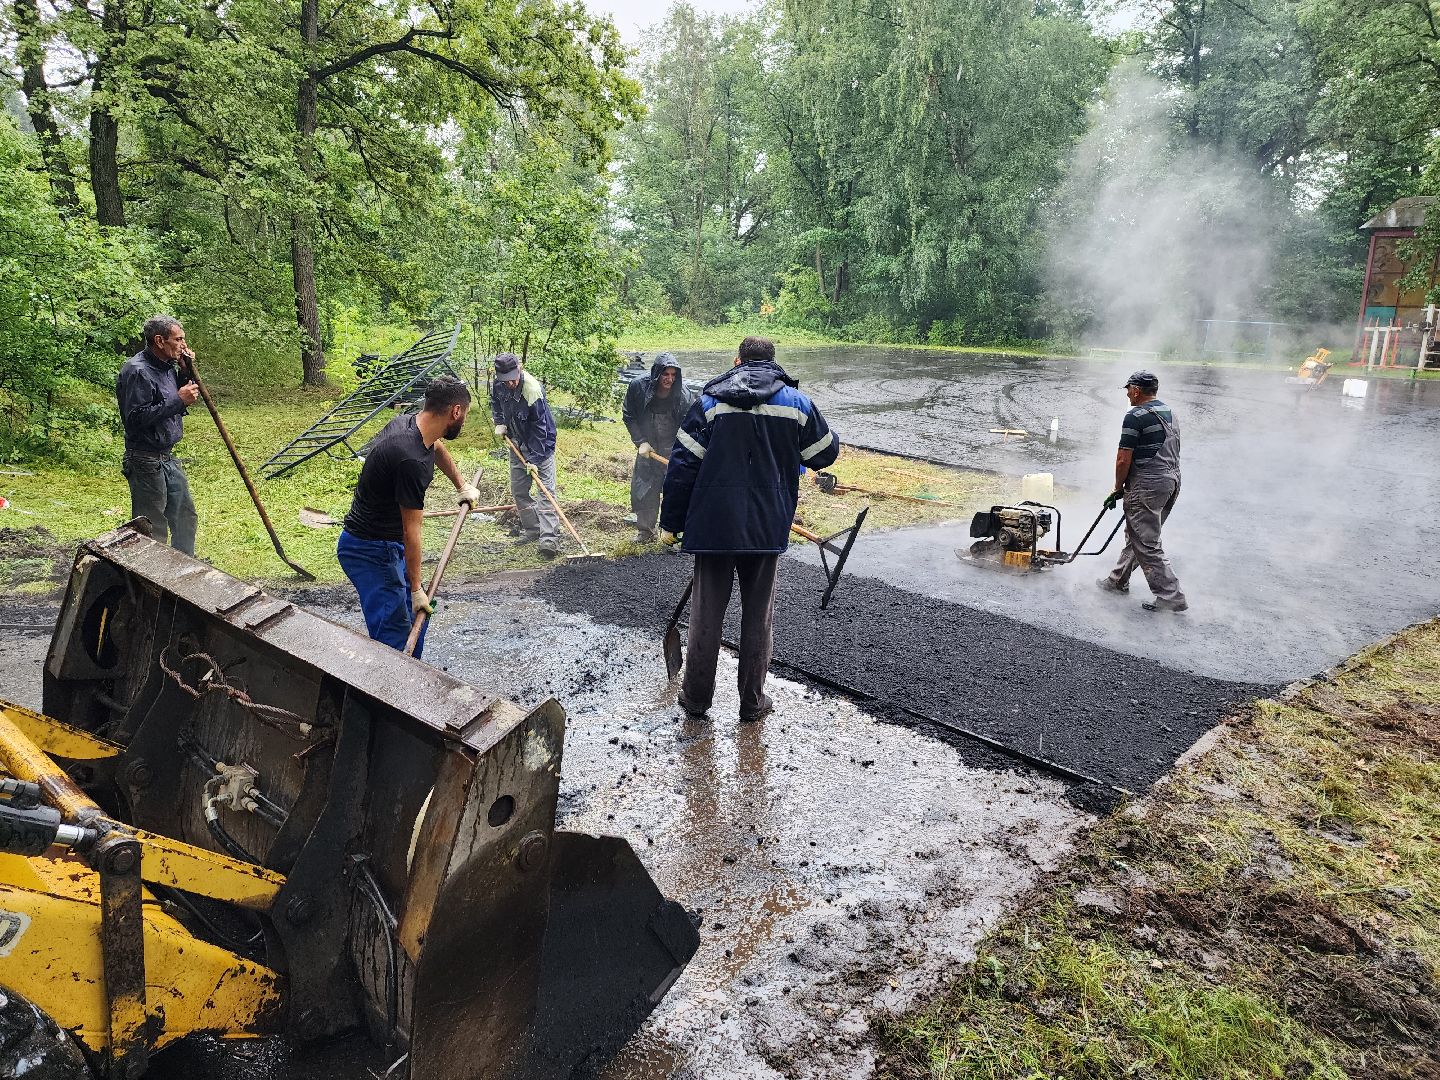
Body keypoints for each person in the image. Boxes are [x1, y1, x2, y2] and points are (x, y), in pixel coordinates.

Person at [660, 336, 840, 722]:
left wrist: (671, 524)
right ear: (773, 364)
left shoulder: (709, 403)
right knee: (758, 618)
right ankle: (752, 703)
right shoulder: (797, 404)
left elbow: (681, 467)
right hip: (765, 528)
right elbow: (824, 453)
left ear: (737, 360)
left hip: (713, 528)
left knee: (706, 615)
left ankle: (695, 699)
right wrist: (787, 443)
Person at [337, 376, 480, 658]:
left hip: (387, 545)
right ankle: (386, 696)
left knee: (419, 620)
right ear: (455, 412)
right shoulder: (409, 459)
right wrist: (415, 589)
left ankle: (411, 680)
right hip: (369, 551)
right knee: (396, 636)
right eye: (465, 414)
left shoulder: (413, 425)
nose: (464, 420)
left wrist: (461, 486)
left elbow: (436, 448)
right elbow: (411, 531)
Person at [1097, 370, 1187, 612]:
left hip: (1147, 485)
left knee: (1147, 543)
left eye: (1128, 389)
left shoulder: (1135, 416)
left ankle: (1171, 596)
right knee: (1138, 534)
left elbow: (1122, 459)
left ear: (1136, 390)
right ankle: (1118, 580)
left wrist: (1118, 487)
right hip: (1170, 482)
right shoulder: (1169, 412)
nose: (1127, 394)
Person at [115, 316, 202, 555]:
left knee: (185, 515)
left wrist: (185, 373)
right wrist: (178, 399)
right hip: (144, 458)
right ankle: (151, 579)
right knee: (152, 526)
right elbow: (135, 419)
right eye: (179, 339)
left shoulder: (167, 368)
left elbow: (171, 402)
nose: (184, 345)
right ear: (159, 340)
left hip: (167, 456)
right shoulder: (137, 371)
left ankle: (184, 570)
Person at [490, 352, 561, 558]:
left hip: (540, 445)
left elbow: (541, 428)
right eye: (506, 379)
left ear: (519, 368)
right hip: (516, 442)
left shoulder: (531, 389)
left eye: (513, 377)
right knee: (519, 490)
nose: (510, 382)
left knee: (545, 491)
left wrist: (534, 460)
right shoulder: (499, 384)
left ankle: (549, 539)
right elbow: (495, 403)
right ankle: (533, 530)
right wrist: (500, 422)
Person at [622, 352, 693, 542]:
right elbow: (629, 415)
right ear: (656, 374)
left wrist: (681, 453)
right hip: (648, 448)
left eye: (673, 375)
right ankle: (645, 531)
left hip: (673, 448)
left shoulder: (684, 395)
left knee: (675, 490)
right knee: (645, 488)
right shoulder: (638, 387)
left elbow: (689, 426)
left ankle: (672, 533)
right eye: (665, 374)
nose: (669, 379)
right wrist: (641, 441)